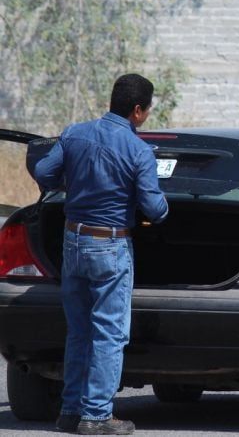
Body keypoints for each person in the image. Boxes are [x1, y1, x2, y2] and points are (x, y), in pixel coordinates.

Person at [34, 74, 168, 435]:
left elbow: (44, 171)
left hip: (73, 241)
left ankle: (70, 411)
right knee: (109, 333)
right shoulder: (138, 150)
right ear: (137, 111)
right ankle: (96, 416)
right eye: (148, 110)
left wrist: (72, 184)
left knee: (79, 331)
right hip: (110, 247)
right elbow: (155, 210)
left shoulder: (75, 133)